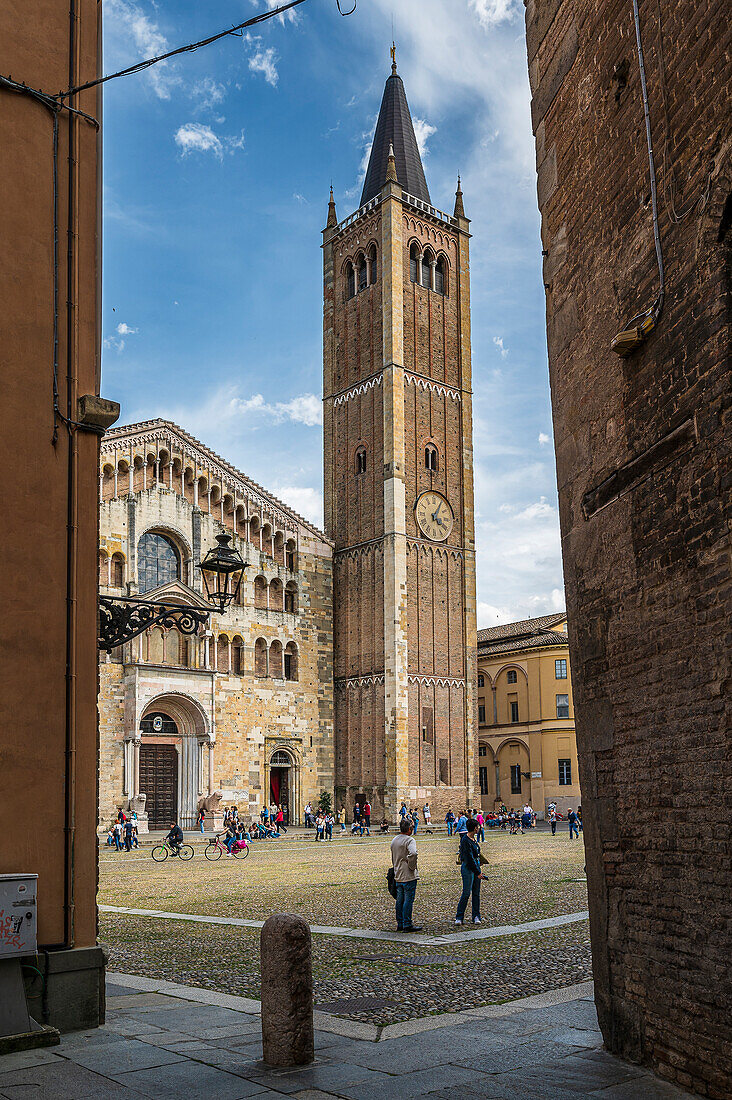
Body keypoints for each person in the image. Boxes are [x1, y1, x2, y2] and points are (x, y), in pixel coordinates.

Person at [390, 817, 422, 932]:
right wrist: (412, 865)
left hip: (398, 873)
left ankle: (400, 923)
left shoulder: (395, 840)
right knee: (408, 899)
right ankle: (407, 923)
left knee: (400, 900)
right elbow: (413, 853)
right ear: (409, 829)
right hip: (408, 874)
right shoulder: (409, 840)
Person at [455, 817, 483, 925]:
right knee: (466, 893)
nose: (479, 828)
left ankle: (476, 916)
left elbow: (476, 854)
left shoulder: (473, 840)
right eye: (478, 827)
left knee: (476, 893)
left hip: (476, 866)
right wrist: (478, 872)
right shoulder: (465, 840)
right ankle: (459, 916)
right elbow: (469, 858)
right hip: (468, 868)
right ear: (475, 828)